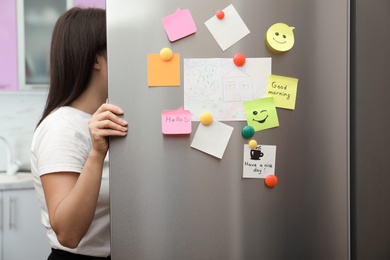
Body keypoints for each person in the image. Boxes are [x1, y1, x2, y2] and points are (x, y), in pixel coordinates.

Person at [31, 7, 127, 260]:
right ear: (97, 59)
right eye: (119, 47)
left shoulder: (106, 118)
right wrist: (96, 154)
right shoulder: (61, 127)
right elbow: (68, 234)